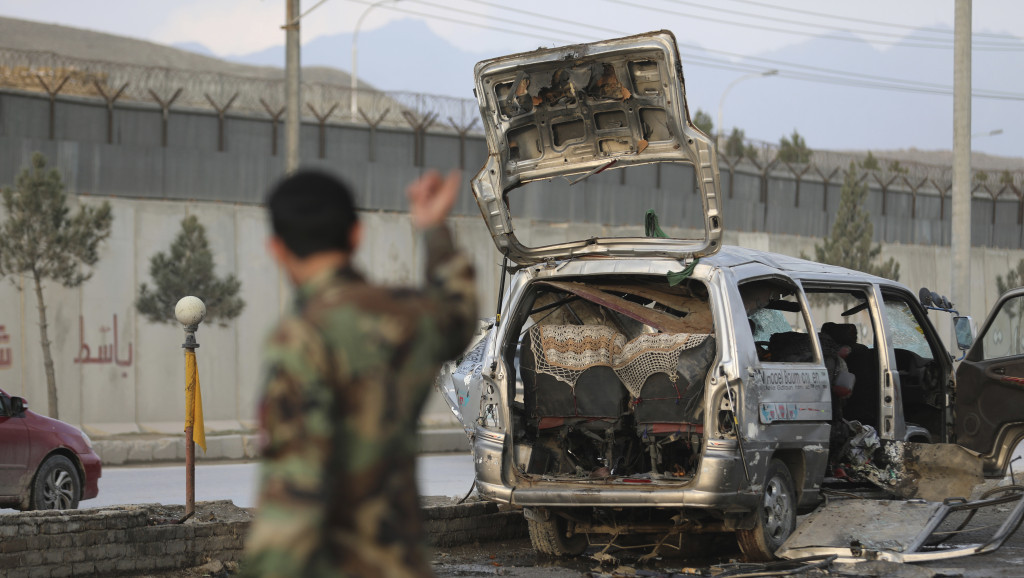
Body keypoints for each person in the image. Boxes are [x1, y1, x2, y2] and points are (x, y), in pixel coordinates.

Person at [242, 169, 477, 577]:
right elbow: (459, 314)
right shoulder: (411, 315)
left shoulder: (302, 338)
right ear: (356, 235)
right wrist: (433, 230)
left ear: (277, 249)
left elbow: (294, 492)